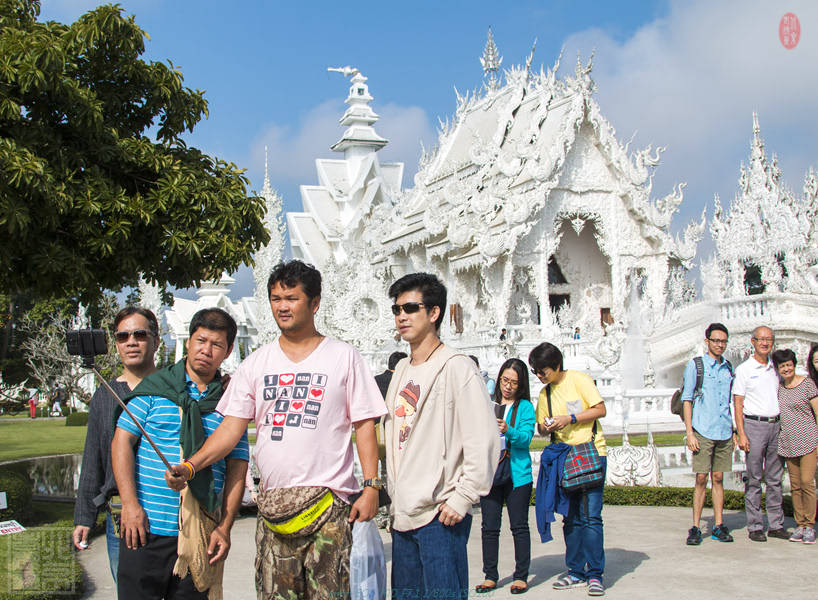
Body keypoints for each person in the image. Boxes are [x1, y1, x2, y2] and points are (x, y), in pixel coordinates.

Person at [165, 260, 386, 599]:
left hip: (328, 504)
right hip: (273, 510)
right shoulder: (257, 363)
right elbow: (230, 430)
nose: (282, 306)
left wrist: (371, 486)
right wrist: (192, 465)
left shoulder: (343, 357)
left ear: (314, 303)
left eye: (291, 298)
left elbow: (364, 424)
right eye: (275, 298)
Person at [112, 308, 249, 599]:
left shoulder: (231, 403)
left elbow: (238, 466)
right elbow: (121, 443)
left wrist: (224, 527)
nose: (206, 350)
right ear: (188, 342)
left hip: (200, 533)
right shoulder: (155, 389)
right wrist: (130, 506)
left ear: (227, 352)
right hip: (146, 528)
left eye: (216, 345)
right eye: (200, 341)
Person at [384, 272, 499, 600]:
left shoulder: (456, 367)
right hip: (403, 513)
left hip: (439, 513)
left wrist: (463, 497)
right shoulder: (402, 371)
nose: (402, 316)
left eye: (410, 308)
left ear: (434, 313)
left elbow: (484, 438)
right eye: (396, 310)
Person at [73, 307, 160, 582]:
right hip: (120, 516)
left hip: (167, 512)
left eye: (140, 334)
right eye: (123, 336)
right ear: (116, 344)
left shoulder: (173, 390)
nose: (131, 342)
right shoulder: (105, 395)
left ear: (156, 341)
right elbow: (93, 458)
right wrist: (84, 517)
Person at [530, 342, 607, 597]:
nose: (540, 377)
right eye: (536, 372)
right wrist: (548, 426)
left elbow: (600, 409)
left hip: (590, 451)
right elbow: (541, 428)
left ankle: (595, 573)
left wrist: (570, 418)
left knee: (591, 516)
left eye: (543, 371)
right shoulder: (545, 394)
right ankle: (576, 570)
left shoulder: (579, 380)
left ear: (557, 366)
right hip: (563, 457)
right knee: (570, 516)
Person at [476, 358, 535, 595]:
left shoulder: (525, 407)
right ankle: (490, 575)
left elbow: (526, 438)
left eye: (513, 382)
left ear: (521, 385)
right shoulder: (488, 403)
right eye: (504, 380)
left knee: (519, 526)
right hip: (490, 471)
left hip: (516, 473)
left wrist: (507, 430)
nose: (508, 386)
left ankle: (521, 576)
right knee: (489, 527)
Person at [732, 326, 787, 541]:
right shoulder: (745, 369)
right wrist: (741, 433)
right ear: (752, 341)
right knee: (754, 478)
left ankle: (776, 524)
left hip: (776, 425)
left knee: (775, 479)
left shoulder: (776, 368)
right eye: (761, 339)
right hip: (754, 426)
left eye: (769, 339)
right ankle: (755, 526)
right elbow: (738, 403)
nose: (765, 343)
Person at [683, 322, 735, 546]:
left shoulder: (728, 367)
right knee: (702, 478)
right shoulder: (696, 365)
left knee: (719, 478)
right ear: (707, 341)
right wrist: (690, 433)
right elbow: (687, 399)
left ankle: (718, 524)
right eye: (716, 341)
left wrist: (733, 430)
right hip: (702, 430)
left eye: (723, 341)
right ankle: (695, 526)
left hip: (724, 430)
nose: (720, 345)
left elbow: (730, 401)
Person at [772, 348, 818, 544]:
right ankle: (800, 525)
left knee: (807, 483)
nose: (786, 369)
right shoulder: (780, 388)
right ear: (778, 369)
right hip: (789, 443)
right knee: (796, 486)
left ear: (794, 364)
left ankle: (809, 525)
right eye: (782, 366)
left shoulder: (807, 385)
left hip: (809, 441)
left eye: (789, 365)